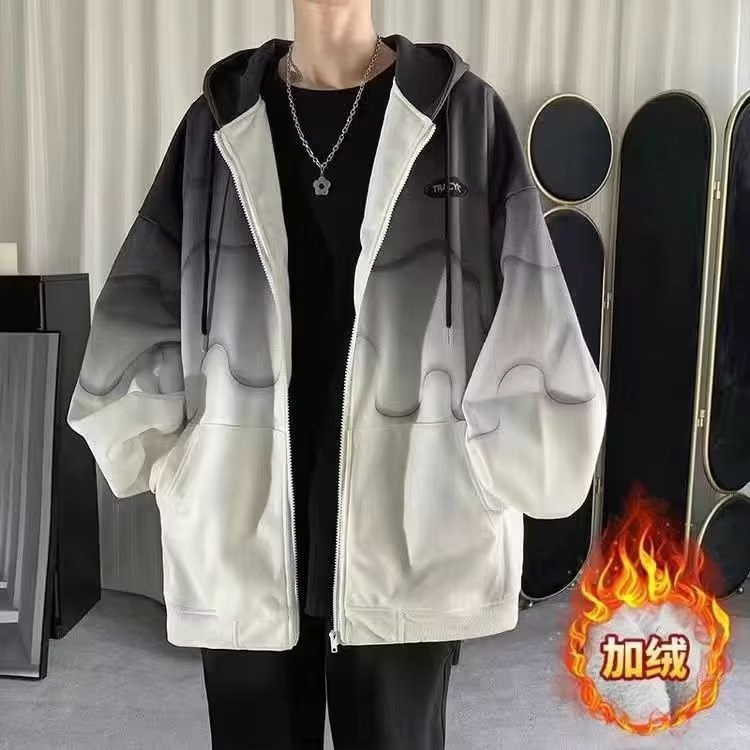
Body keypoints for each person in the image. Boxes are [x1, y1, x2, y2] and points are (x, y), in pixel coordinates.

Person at [67, 0, 607, 747]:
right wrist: (166, 458)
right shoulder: (218, 121)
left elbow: (530, 304)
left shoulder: (460, 116)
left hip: (414, 516)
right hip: (243, 515)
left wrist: (501, 462)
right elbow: (141, 301)